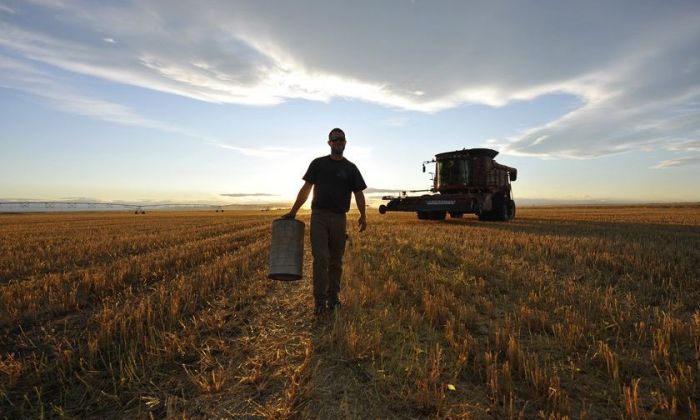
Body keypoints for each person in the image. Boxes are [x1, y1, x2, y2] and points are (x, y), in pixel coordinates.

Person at [282, 128, 367, 315]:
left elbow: (359, 193)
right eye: (335, 140)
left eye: (341, 140)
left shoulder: (351, 168)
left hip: (339, 219)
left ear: (345, 143)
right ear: (329, 143)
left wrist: (363, 215)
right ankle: (319, 300)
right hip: (319, 217)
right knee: (321, 259)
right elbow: (306, 188)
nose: (338, 142)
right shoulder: (318, 164)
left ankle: (333, 298)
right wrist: (294, 211)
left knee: (336, 261)